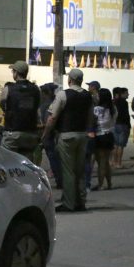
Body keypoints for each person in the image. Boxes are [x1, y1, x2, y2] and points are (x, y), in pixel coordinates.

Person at [41, 68, 94, 212]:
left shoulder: (63, 95)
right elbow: (90, 116)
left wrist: (46, 133)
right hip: (83, 135)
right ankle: (81, 202)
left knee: (68, 171)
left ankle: (69, 203)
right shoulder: (88, 96)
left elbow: (53, 117)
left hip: (67, 135)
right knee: (80, 170)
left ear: (69, 79)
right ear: (81, 80)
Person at [0, 60, 41, 161]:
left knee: (8, 162)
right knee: (27, 164)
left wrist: (7, 110)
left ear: (16, 73)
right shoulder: (36, 89)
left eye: (13, 71)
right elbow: (37, 106)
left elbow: (1, 103)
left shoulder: (9, 88)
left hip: (12, 133)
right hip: (30, 133)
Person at [92, 88, 117, 190]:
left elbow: (93, 121)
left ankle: (101, 184)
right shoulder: (113, 108)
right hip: (109, 135)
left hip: (99, 136)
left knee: (101, 162)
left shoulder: (96, 109)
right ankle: (109, 183)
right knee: (106, 161)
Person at [40, 83, 62, 188]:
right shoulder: (55, 103)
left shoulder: (46, 105)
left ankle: (59, 179)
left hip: (47, 135)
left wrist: (44, 134)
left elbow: (47, 122)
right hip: (53, 134)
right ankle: (59, 179)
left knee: (53, 158)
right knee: (55, 158)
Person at [112, 87, 131, 169]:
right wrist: (129, 125)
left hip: (114, 124)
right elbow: (126, 115)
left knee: (115, 144)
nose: (127, 94)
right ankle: (119, 163)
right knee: (120, 145)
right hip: (123, 124)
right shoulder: (124, 102)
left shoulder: (113, 102)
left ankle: (113, 162)